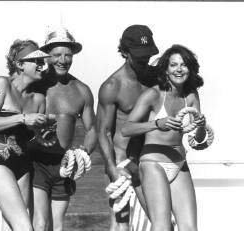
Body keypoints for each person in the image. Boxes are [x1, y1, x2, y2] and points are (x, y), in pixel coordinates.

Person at [0, 27, 97, 231]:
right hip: (19, 161)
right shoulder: (24, 83)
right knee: (32, 225)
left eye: (68, 55)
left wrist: (80, 151)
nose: (62, 60)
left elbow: (92, 129)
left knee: (31, 226)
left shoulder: (67, 92)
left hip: (45, 163)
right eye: (56, 55)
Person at [121, 44, 206, 231]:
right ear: (166, 70)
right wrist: (157, 124)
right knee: (162, 226)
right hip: (153, 162)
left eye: (183, 65)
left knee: (190, 228)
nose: (179, 69)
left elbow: (199, 139)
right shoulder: (153, 94)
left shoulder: (191, 95)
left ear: (190, 69)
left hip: (179, 162)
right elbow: (126, 129)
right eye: (173, 65)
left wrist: (201, 127)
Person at [0, 39, 51, 231]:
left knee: (10, 226)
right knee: (24, 227)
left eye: (42, 61)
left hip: (22, 164)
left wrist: (45, 135)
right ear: (19, 64)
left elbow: (33, 138)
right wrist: (23, 118)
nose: (41, 66)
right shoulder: (2, 84)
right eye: (35, 61)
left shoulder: (39, 99)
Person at [96, 24, 159, 231]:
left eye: (147, 55)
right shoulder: (113, 86)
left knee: (161, 220)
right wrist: (112, 168)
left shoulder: (156, 77)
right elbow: (103, 132)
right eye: (139, 55)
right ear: (124, 51)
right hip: (122, 163)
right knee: (121, 223)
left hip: (150, 160)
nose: (144, 60)